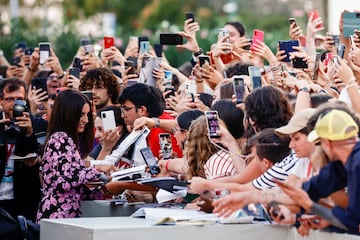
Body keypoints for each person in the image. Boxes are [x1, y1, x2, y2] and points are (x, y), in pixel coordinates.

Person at [36, 90, 116, 221]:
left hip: (66, 216)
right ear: (68, 114)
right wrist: (97, 170)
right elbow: (64, 181)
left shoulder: (68, 139)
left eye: (87, 115)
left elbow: (74, 181)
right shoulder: (60, 138)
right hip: (57, 216)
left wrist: (99, 185)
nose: (86, 120)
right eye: (81, 115)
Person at [0, 78, 40, 222]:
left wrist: (29, 133)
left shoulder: (37, 125)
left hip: (23, 199)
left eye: (20, 99)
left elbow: (37, 157)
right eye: (10, 99)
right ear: (1, 101)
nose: (15, 104)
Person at [118, 83, 182, 159]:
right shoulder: (155, 125)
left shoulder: (161, 133)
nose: (123, 115)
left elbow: (169, 167)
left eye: (126, 109)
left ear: (142, 110)